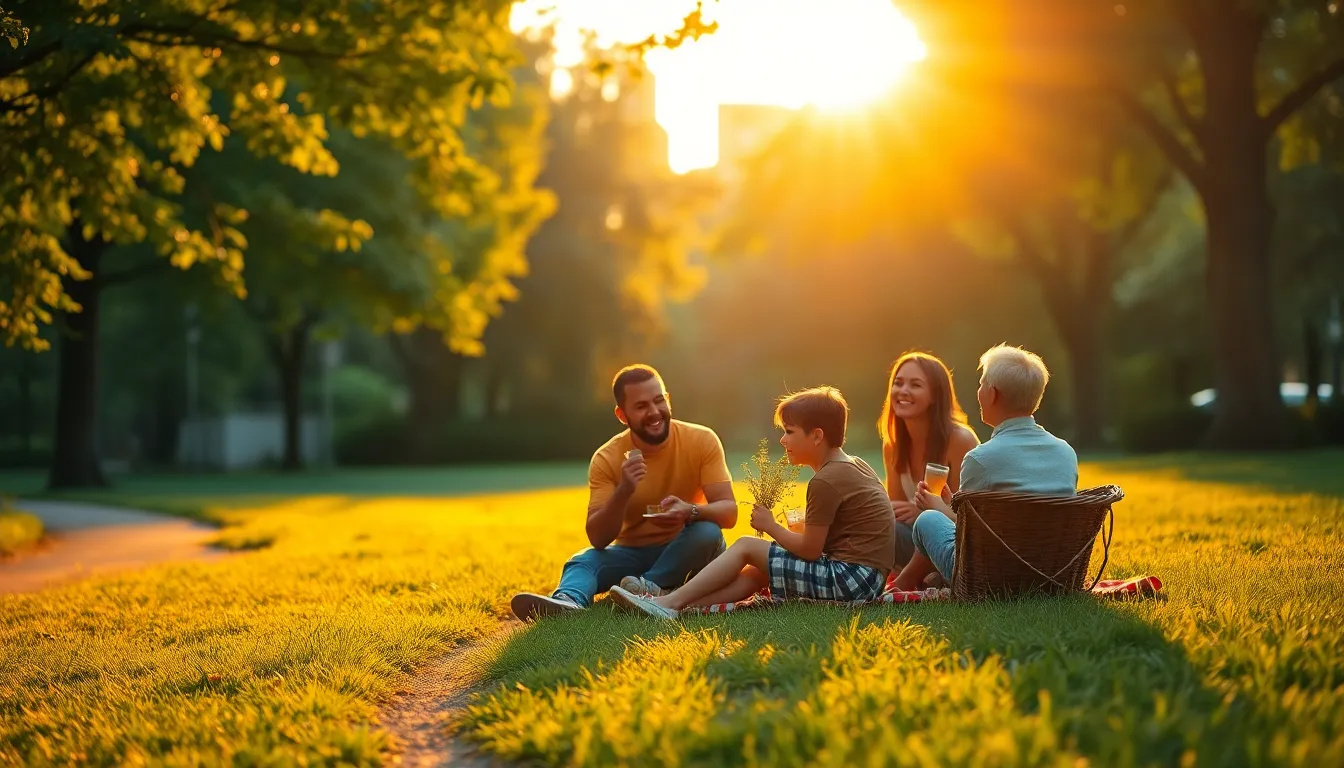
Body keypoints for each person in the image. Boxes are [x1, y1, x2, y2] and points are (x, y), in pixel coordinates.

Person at [609, 386, 894, 619]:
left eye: (790, 431)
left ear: (817, 436)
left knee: (746, 545)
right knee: (760, 569)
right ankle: (683, 606)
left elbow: (810, 549)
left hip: (851, 582)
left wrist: (770, 526)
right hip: (867, 579)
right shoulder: (855, 465)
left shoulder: (826, 480)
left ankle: (667, 604)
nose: (783, 440)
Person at [510, 364, 737, 620]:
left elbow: (729, 513)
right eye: (641, 407)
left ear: (668, 399)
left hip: (686, 546)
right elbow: (598, 538)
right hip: (633, 554)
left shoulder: (701, 440)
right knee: (583, 560)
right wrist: (624, 489)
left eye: (658, 400)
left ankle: (642, 591)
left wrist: (690, 510)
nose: (654, 412)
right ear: (622, 414)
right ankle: (568, 602)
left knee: (707, 531)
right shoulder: (607, 458)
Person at [892, 345, 1078, 591]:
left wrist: (937, 509)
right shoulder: (1066, 452)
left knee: (928, 520)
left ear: (991, 394)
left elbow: (969, 535)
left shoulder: (980, 458)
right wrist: (951, 504)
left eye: (981, 384)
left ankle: (906, 581)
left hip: (991, 578)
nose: (978, 391)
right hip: (1053, 573)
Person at [877, 352, 980, 571]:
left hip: (956, 546)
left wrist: (923, 515)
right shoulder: (892, 445)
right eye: (898, 383)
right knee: (877, 524)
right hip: (914, 542)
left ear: (935, 395)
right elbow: (895, 512)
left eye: (915, 385)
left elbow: (970, 517)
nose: (903, 391)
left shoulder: (960, 440)